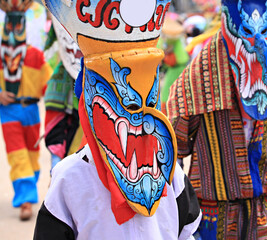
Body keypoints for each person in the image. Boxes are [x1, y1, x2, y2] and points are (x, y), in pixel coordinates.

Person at [34, 0, 201, 238]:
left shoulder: (170, 173)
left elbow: (188, 232)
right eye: (129, 104)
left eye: (150, 102)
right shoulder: (70, 179)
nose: (143, 120)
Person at [167, 0, 267, 238]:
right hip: (215, 211)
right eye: (247, 33)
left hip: (261, 206)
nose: (256, 44)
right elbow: (174, 145)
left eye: (263, 32)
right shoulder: (198, 80)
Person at [0, 0, 52, 221]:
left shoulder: (35, 55)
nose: (13, 32)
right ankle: (26, 200)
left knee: (31, 156)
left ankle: (28, 191)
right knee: (17, 154)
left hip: (30, 110)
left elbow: (49, 84)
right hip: (9, 111)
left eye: (17, 26)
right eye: (9, 27)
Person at [43, 16, 84, 170]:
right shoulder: (58, 79)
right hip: (61, 99)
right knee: (59, 152)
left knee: (78, 157)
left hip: (84, 103)